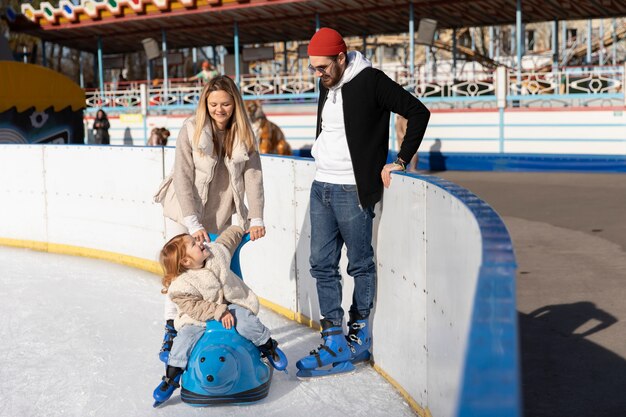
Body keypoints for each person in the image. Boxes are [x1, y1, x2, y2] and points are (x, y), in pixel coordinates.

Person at [295, 28, 430, 377]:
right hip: (321, 185)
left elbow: (418, 112)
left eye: (322, 67)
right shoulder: (328, 83)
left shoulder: (371, 81)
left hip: (353, 191)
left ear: (341, 58)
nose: (318, 74)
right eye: (314, 68)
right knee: (320, 264)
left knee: (359, 265)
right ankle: (333, 339)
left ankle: (359, 335)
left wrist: (399, 160)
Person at [153, 74, 266, 364]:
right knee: (182, 273)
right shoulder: (191, 129)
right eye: (213, 103)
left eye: (226, 104)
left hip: (220, 212)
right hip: (184, 211)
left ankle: (238, 330)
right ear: (205, 103)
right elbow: (183, 177)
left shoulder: (243, 134)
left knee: (221, 270)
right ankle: (171, 328)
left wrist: (255, 217)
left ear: (235, 104)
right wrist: (193, 223)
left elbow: (253, 177)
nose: (219, 109)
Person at [152, 226, 287, 405]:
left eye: (196, 240)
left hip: (231, 305)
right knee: (183, 339)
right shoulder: (181, 286)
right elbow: (194, 307)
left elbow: (228, 239)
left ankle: (268, 347)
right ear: (186, 261)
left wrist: (240, 229)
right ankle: (172, 376)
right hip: (196, 318)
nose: (200, 242)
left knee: (247, 322)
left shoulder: (216, 253)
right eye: (194, 244)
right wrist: (217, 312)